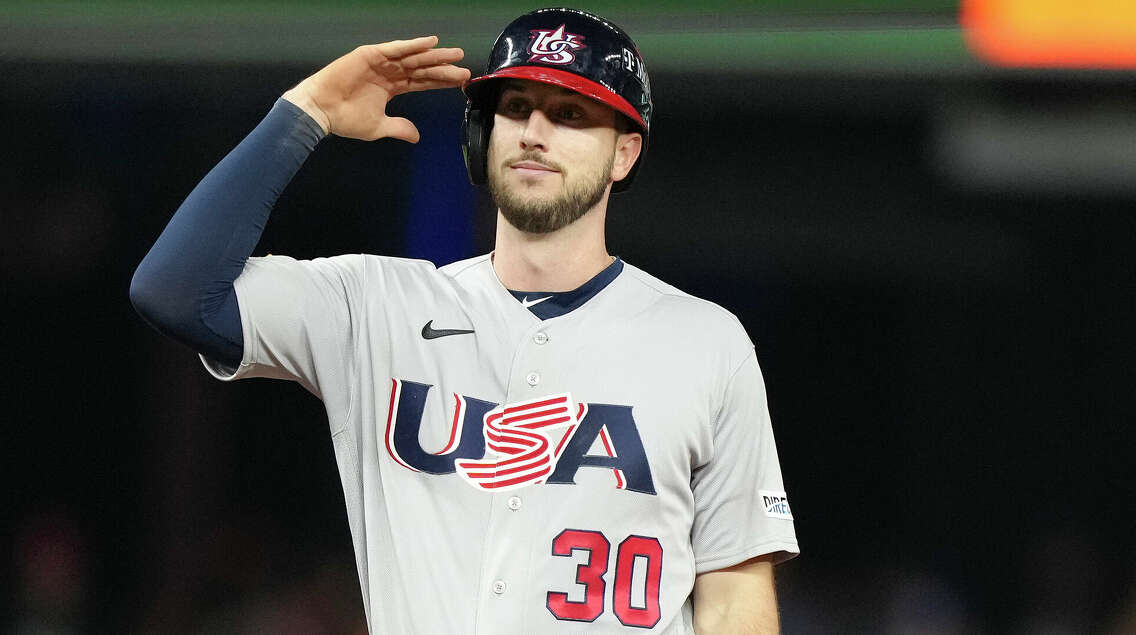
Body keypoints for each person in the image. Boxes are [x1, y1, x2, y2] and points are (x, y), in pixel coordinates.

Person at [131, 7, 799, 634]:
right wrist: (305, 113)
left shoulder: (704, 342)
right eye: (516, 108)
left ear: (623, 154)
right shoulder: (377, 307)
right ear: (485, 135)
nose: (535, 131)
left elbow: (734, 597)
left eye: (570, 114)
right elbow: (177, 291)